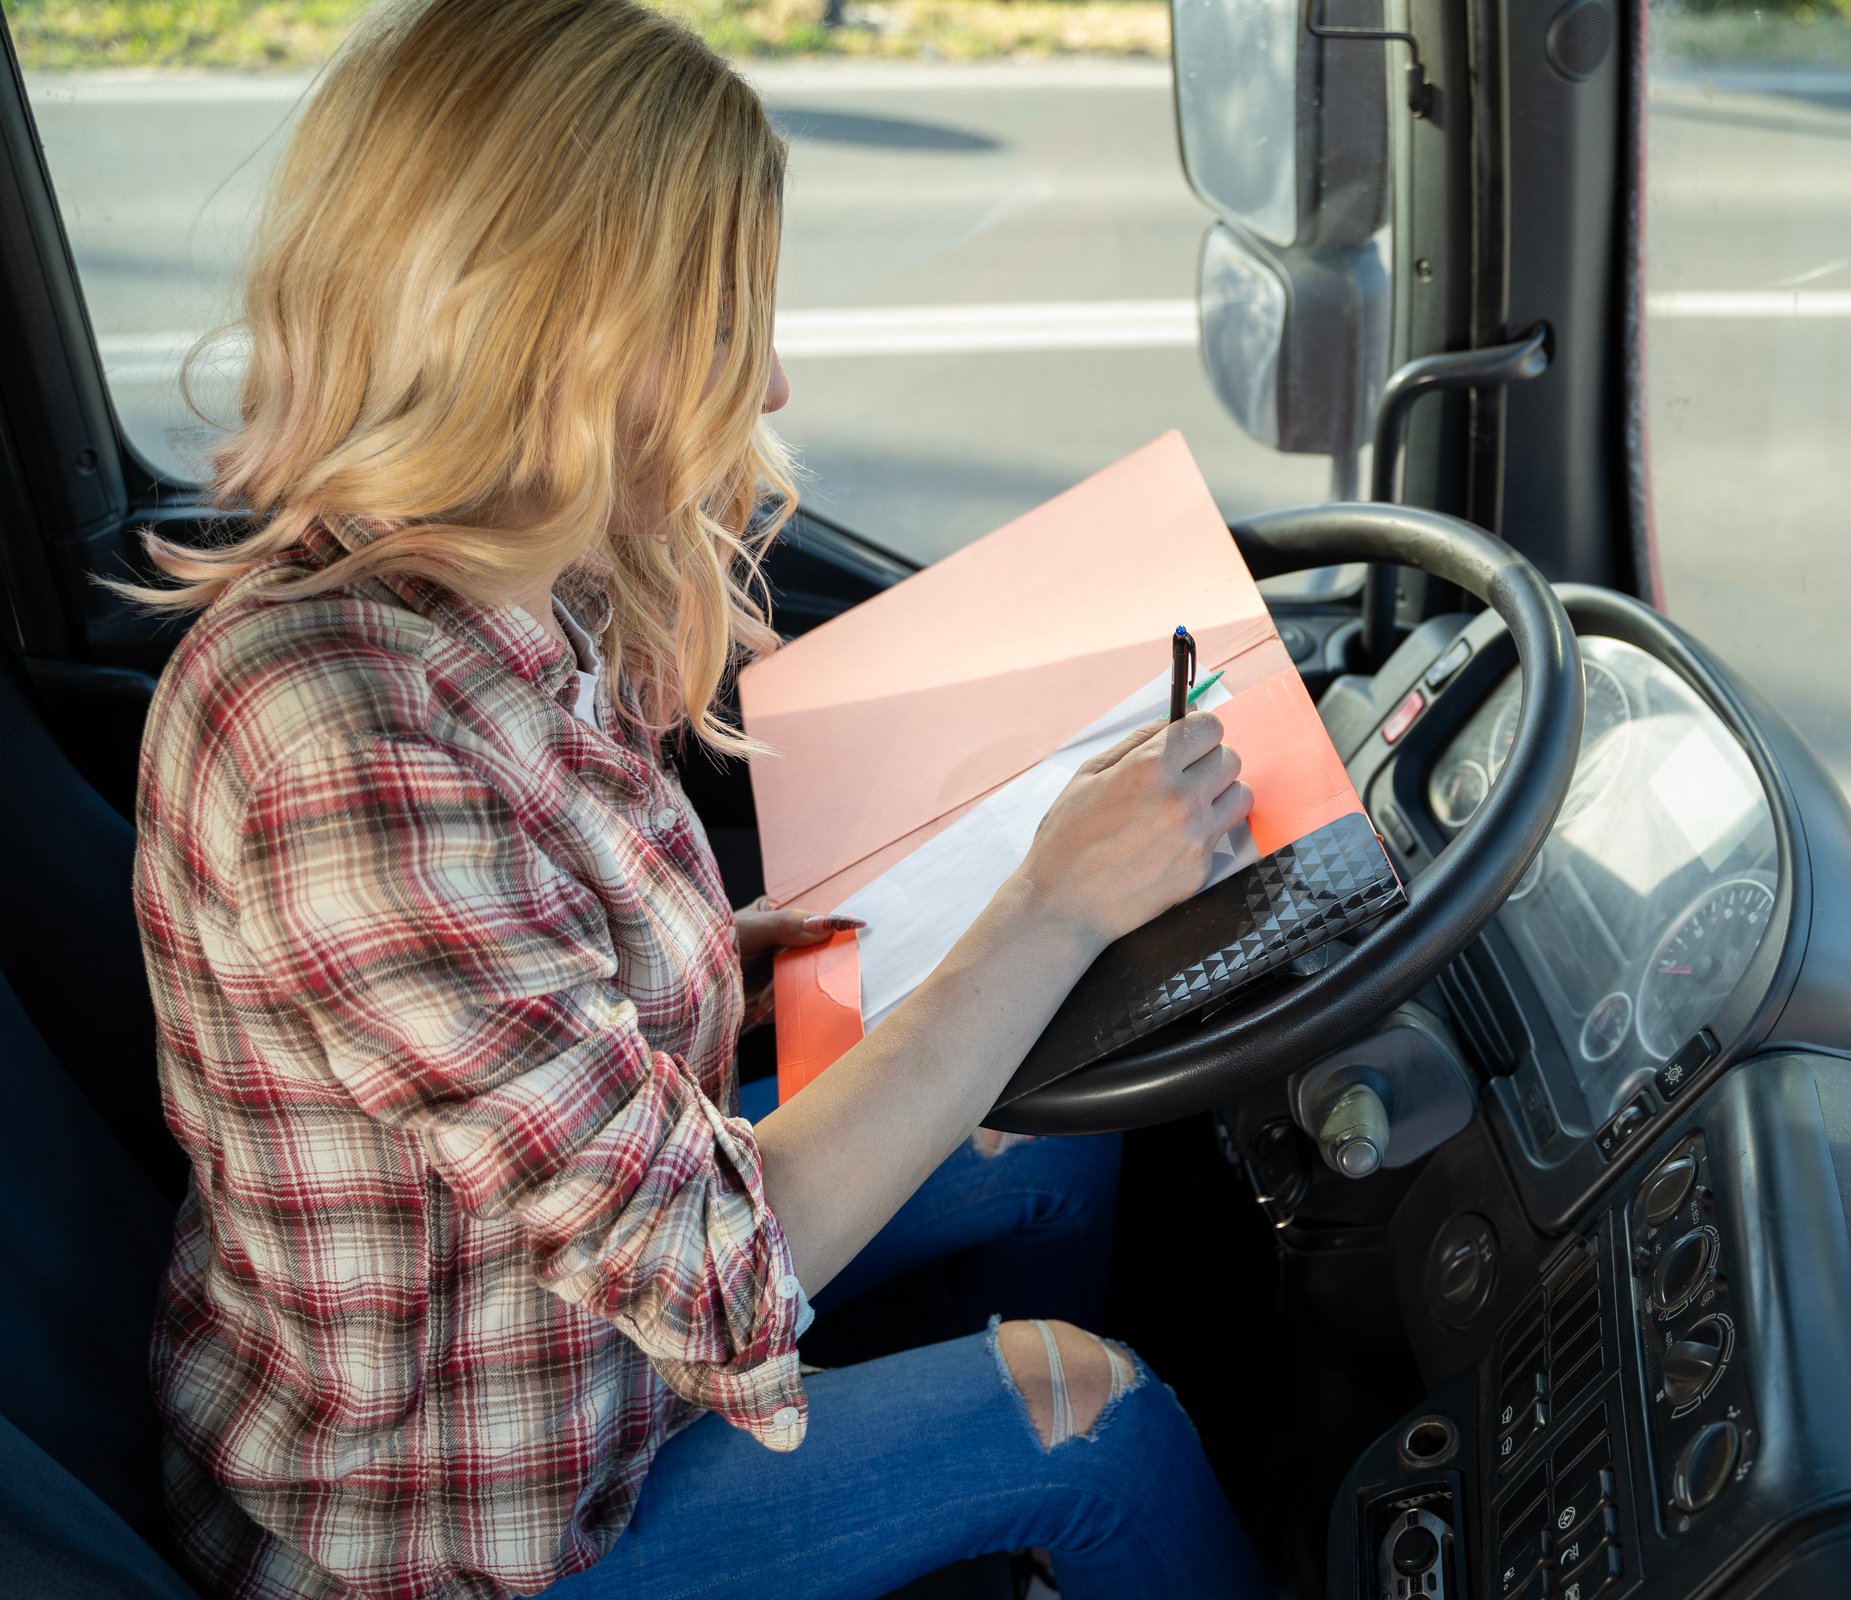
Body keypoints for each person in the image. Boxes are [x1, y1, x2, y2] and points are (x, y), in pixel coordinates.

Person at [118, 2, 1270, 1596]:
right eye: (727, 327)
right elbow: (714, 1263)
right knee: (1091, 1413)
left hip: (566, 1335)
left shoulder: (504, 590)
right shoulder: (339, 746)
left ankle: (939, 1548)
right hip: (461, 1524)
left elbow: (516, 988)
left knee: (1052, 1139)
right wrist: (1054, 897)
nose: (776, 383)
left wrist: (771, 933)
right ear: (555, 332)